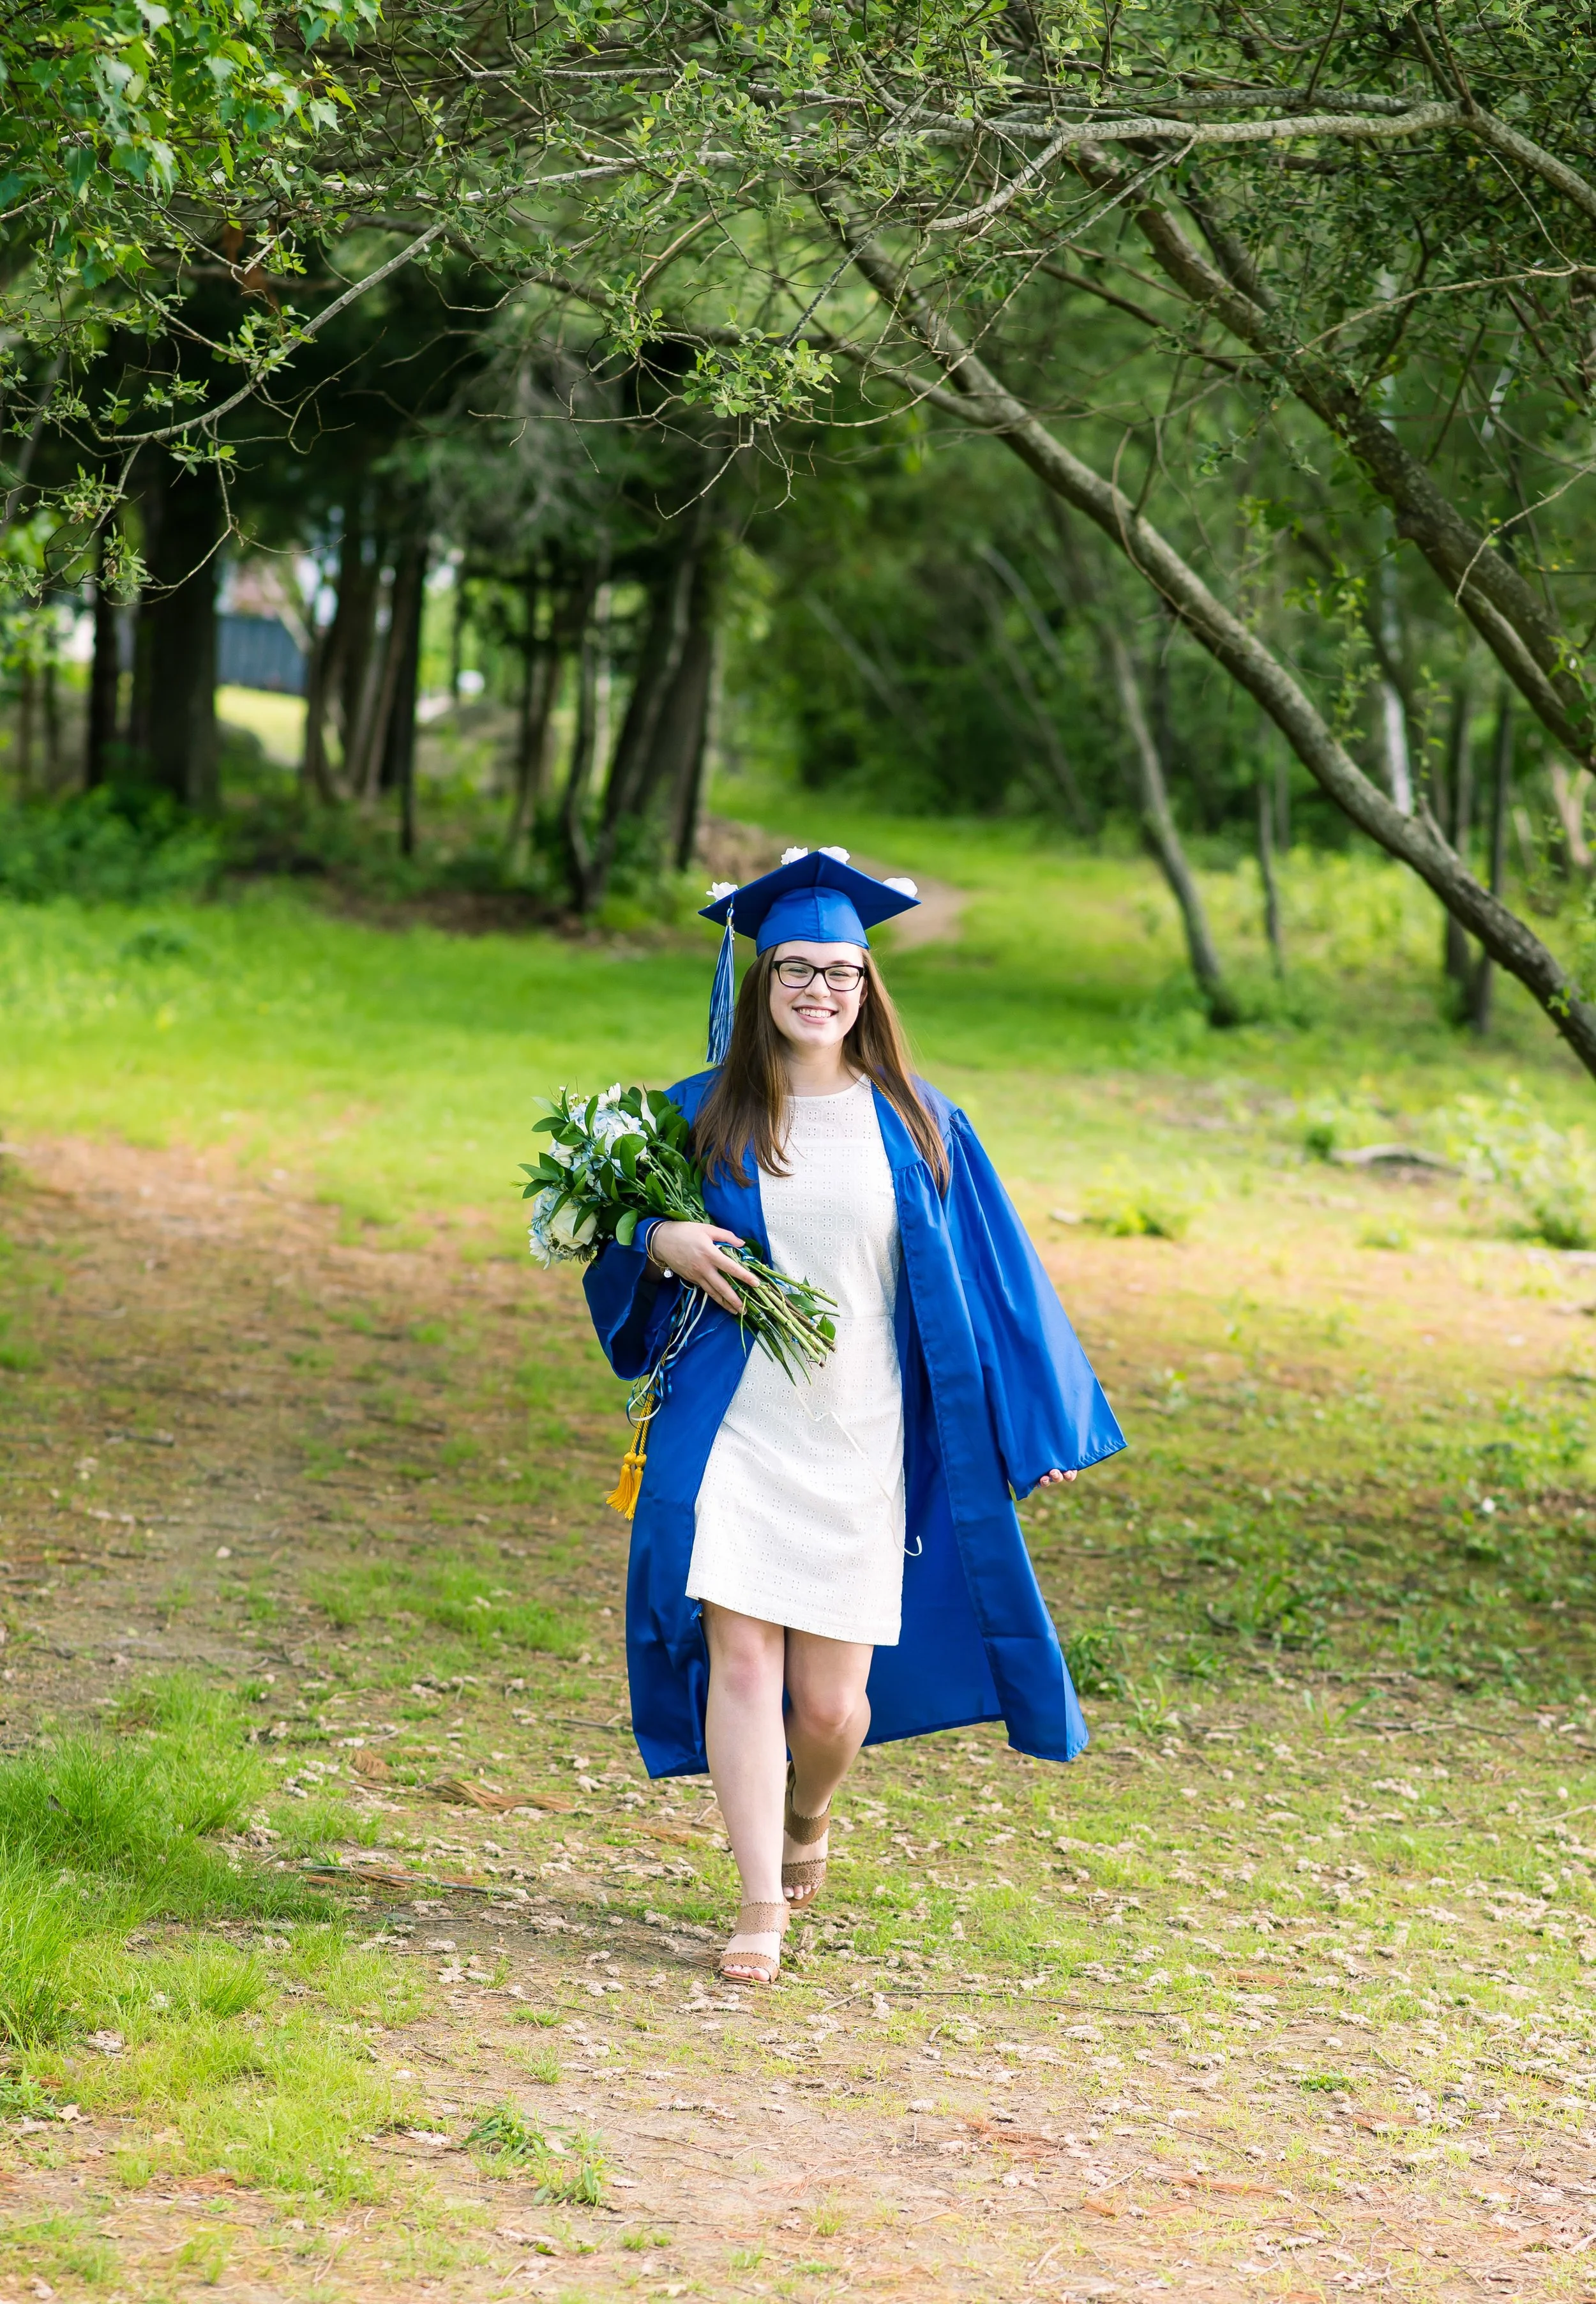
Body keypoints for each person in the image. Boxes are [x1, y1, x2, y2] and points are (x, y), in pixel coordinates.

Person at [582, 848, 1124, 1983]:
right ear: (762, 981)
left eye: (840, 971)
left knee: (831, 1710)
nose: (817, 989)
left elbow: (998, 1277)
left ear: (869, 987)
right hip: (734, 1425)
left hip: (860, 1436)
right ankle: (755, 1903)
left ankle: (808, 1815)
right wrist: (658, 1237)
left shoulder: (923, 1125)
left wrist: (1041, 1421)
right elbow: (610, 1230)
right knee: (740, 1664)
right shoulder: (699, 1117)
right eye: (793, 969)